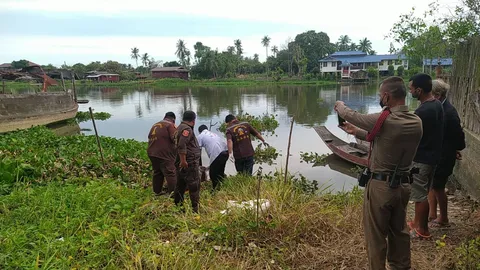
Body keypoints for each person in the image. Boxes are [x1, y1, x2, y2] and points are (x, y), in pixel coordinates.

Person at [335, 76, 423, 270]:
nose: (379, 99)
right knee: (399, 232)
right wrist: (355, 132)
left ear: (386, 96)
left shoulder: (386, 119)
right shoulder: (416, 121)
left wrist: (340, 104)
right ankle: (401, 266)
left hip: (381, 187)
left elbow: (351, 114)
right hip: (403, 185)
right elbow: (385, 137)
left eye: (379, 96)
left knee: (375, 236)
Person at [408, 73, 444, 239]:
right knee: (424, 191)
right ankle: (417, 224)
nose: (410, 92)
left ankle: (422, 230)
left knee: (419, 196)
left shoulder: (423, 111)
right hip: (433, 157)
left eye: (412, 89)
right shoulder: (437, 104)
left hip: (422, 159)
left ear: (419, 90)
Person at [428, 79, 465, 227]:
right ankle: (432, 214)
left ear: (437, 95)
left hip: (444, 155)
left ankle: (443, 218)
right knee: (431, 184)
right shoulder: (438, 108)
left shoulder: (448, 112)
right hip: (437, 153)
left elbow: (458, 135)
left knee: (438, 186)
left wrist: (455, 149)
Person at [174, 111, 201, 213]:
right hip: (189, 162)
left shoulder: (179, 128)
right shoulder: (187, 129)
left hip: (181, 161)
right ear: (193, 120)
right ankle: (195, 210)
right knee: (194, 185)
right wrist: (183, 161)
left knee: (180, 185)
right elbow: (181, 144)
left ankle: (179, 208)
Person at [147, 112, 177, 196]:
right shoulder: (170, 125)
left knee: (158, 172)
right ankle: (173, 193)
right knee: (170, 172)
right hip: (164, 153)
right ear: (173, 119)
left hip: (152, 152)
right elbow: (176, 138)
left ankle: (157, 192)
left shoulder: (155, 125)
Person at [197, 125, 229, 191]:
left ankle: (215, 190)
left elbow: (198, 151)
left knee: (213, 173)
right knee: (220, 171)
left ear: (199, 131)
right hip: (225, 152)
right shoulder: (213, 134)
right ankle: (221, 187)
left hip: (217, 154)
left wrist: (199, 164)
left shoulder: (200, 136)